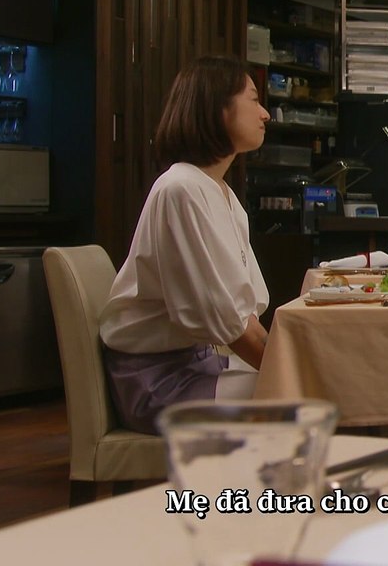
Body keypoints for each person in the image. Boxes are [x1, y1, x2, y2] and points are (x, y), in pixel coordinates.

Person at [99, 55, 271, 434]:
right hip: (160, 384)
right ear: (217, 108)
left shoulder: (219, 193)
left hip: (198, 366)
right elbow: (234, 327)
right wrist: (293, 370)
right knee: (311, 396)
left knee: (317, 384)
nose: (265, 114)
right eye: (254, 99)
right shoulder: (182, 189)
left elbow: (243, 318)